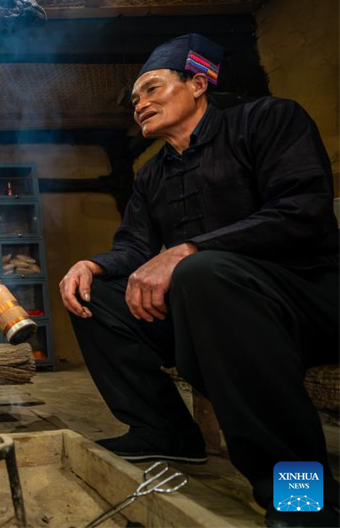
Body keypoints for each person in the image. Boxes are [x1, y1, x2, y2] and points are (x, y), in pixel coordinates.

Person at [58, 34, 339, 527]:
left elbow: (302, 212)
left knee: (203, 271)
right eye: (135, 99)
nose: (140, 104)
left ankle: (302, 496)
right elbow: (135, 248)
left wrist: (190, 250)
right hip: (207, 312)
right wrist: (93, 266)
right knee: (93, 297)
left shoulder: (268, 120)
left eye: (152, 88)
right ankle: (165, 431)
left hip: (305, 297)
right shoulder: (152, 175)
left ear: (199, 83)